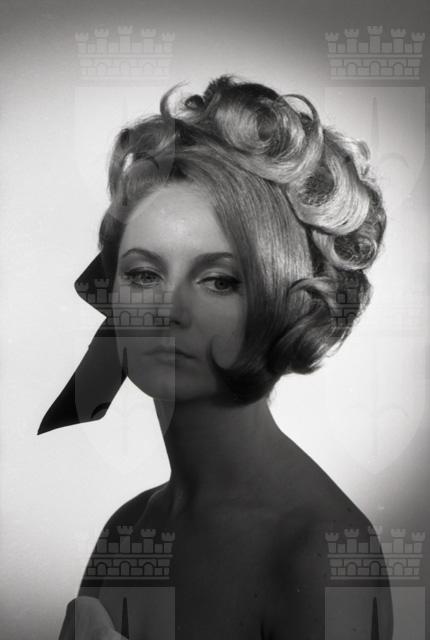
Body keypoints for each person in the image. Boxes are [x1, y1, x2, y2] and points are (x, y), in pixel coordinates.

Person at [42, 74, 393, 638]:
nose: (168, 309)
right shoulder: (127, 530)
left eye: (220, 280)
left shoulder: (319, 551)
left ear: (282, 302)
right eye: (144, 274)